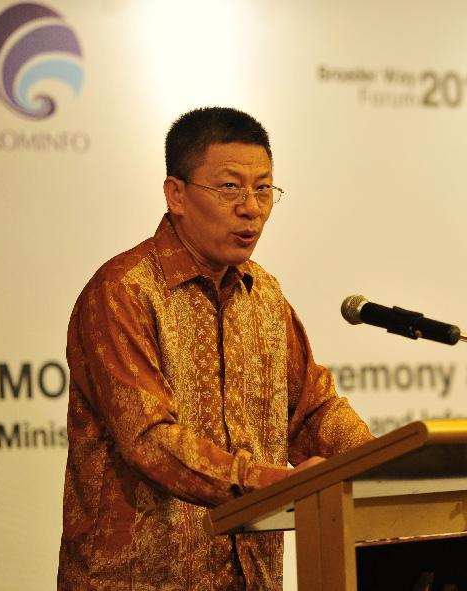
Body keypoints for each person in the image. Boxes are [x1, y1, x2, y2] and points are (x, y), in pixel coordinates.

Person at [57, 107, 373, 591]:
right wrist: (269, 483)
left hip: (252, 577)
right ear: (176, 194)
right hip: (141, 581)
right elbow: (149, 438)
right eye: (230, 188)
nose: (251, 207)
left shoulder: (264, 294)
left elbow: (312, 411)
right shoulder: (125, 291)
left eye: (264, 189)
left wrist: (380, 461)